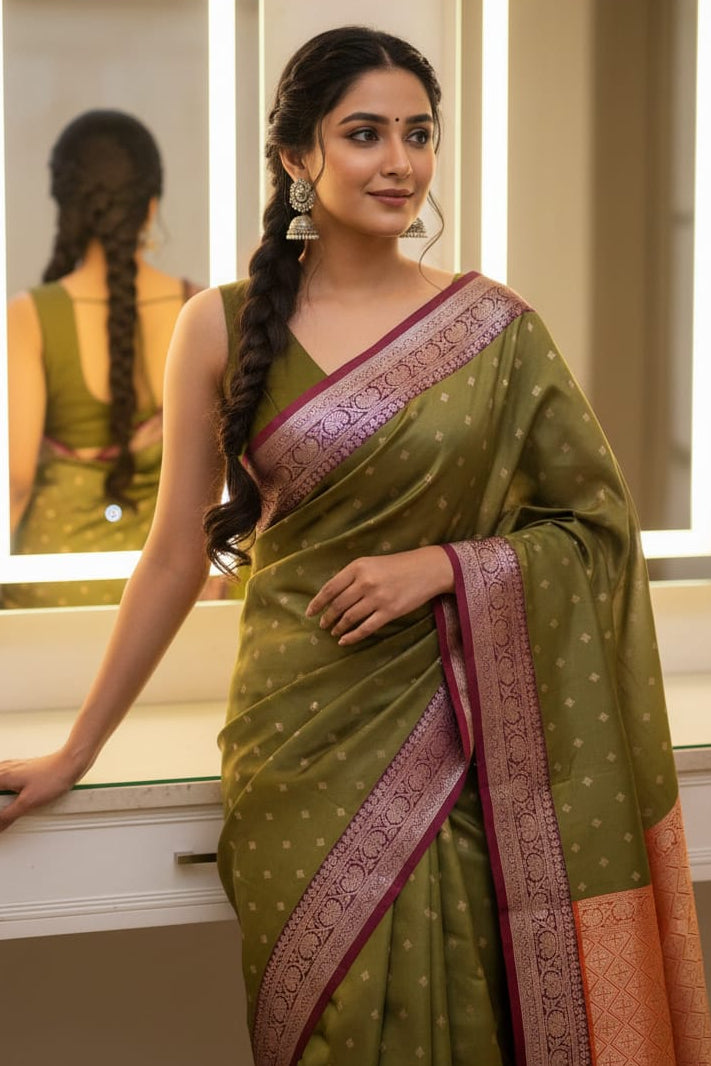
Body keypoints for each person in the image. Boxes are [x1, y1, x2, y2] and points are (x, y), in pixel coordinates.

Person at [0, 26, 709, 1065]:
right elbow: (170, 557)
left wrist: (446, 568)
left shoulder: (496, 329)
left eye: (419, 134)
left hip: (461, 743)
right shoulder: (222, 323)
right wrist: (77, 750)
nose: (401, 162)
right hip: (299, 745)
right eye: (365, 133)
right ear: (298, 156)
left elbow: (593, 528)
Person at [4, 109, 202, 609]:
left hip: (53, 586)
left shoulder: (29, 317)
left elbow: (16, 479)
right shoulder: (198, 308)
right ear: (151, 206)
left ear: (66, 205)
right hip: (167, 596)